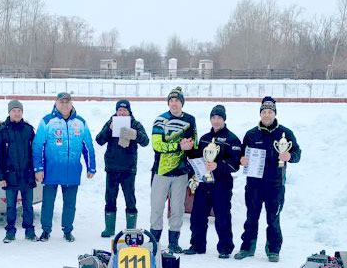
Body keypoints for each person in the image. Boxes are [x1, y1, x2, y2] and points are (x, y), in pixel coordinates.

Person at [234, 96, 302, 262]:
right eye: (264, 112)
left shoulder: (285, 133)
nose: (267, 115)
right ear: (260, 114)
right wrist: (242, 160)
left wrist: (289, 156)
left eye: (270, 112)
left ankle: (273, 250)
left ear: (275, 113)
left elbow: (297, 153)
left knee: (273, 218)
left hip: (275, 184)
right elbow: (241, 154)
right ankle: (247, 247)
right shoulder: (251, 134)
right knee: (251, 217)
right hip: (254, 185)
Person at [33, 92, 96, 242]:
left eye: (67, 102)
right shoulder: (47, 121)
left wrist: (91, 166)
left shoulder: (81, 122)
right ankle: (46, 230)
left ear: (71, 103)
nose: (64, 105)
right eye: (61, 102)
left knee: (70, 204)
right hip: (51, 171)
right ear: (56, 103)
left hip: (72, 171)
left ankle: (67, 230)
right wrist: (38, 168)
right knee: (48, 203)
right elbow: (37, 146)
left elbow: (88, 146)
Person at [184, 105, 242, 258]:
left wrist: (218, 165)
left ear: (224, 119)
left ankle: (225, 248)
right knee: (197, 215)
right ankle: (197, 245)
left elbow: (235, 164)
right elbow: (197, 157)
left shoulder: (232, 139)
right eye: (213, 118)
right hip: (204, 183)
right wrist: (188, 150)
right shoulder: (204, 138)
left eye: (219, 118)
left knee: (222, 217)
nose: (216, 121)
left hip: (222, 184)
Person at [150, 86, 197, 253]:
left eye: (177, 100)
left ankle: (173, 242)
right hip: (161, 172)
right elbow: (157, 145)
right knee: (157, 208)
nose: (174, 103)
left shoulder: (190, 120)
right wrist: (178, 146)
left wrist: (190, 148)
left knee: (177, 209)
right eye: (171, 100)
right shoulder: (160, 120)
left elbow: (194, 144)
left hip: (181, 172)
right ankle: (154, 241)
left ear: (182, 103)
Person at [95, 99, 149, 237]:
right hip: (112, 169)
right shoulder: (110, 122)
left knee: (130, 199)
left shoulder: (135, 124)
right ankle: (109, 229)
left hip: (128, 170)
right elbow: (99, 140)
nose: (122, 112)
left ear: (129, 111)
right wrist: (109, 129)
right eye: (119, 110)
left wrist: (135, 134)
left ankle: (130, 231)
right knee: (110, 199)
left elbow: (146, 141)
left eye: (124, 110)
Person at [0, 99, 37, 243]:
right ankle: (10, 232)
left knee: (28, 206)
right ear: (9, 112)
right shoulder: (1, 131)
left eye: (19, 111)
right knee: (11, 206)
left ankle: (29, 231)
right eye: (14, 110)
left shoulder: (28, 130)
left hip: (27, 175)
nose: (17, 113)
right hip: (9, 176)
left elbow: (35, 153)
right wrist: (0, 177)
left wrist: (37, 171)